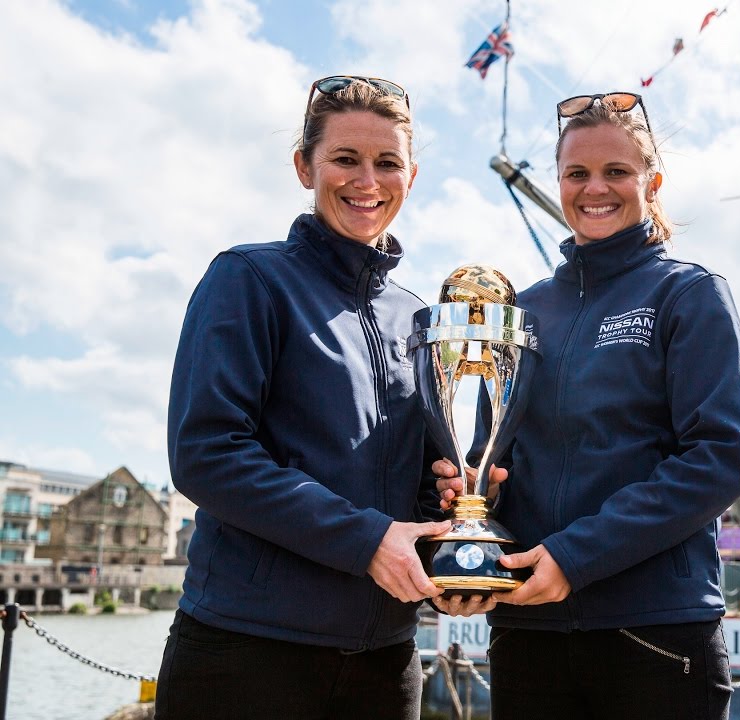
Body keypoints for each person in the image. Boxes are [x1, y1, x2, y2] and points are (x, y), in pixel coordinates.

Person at [436, 92, 740, 720]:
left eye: (617, 172)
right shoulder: (520, 312)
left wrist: (576, 557)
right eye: (577, 174)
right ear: (559, 182)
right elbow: (490, 455)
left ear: (652, 182)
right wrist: (467, 509)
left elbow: (718, 459)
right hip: (530, 631)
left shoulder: (689, 295)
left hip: (654, 633)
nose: (594, 189)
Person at [157, 75, 454, 720]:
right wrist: (367, 540)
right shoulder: (249, 278)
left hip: (386, 662)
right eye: (345, 159)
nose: (366, 181)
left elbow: (418, 479)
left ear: (411, 175)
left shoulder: (418, 319)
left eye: (387, 163)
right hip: (248, 653)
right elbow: (206, 453)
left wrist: (449, 519)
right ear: (304, 166)